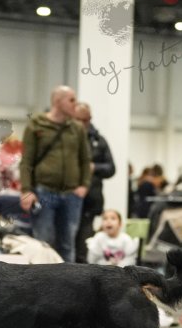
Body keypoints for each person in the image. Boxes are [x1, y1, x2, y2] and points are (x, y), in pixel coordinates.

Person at [19, 85, 91, 263]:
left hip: (72, 194)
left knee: (68, 244)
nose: (75, 104)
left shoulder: (77, 128)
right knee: (43, 242)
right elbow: (26, 161)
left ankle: (69, 280)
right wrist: (26, 190)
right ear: (58, 101)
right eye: (71, 100)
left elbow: (85, 159)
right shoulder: (36, 125)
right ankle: (41, 279)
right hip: (44, 192)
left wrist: (84, 185)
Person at [73, 102, 115, 264]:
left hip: (90, 201)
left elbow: (111, 168)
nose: (82, 123)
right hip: (67, 198)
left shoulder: (99, 141)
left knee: (84, 244)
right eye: (78, 119)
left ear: (90, 118)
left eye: (85, 119)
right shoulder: (65, 138)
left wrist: (94, 167)